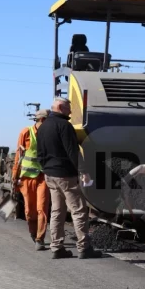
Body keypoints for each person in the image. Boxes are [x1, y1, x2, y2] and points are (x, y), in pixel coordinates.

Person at [36, 97, 101, 259]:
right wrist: (83, 171)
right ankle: (84, 247)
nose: (70, 112)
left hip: (50, 175)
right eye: (68, 108)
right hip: (65, 175)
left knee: (57, 211)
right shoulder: (64, 126)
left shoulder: (42, 127)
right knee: (79, 210)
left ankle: (57, 247)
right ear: (59, 107)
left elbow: (40, 154)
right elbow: (73, 151)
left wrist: (47, 168)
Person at [12, 109, 51, 251]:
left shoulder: (49, 135)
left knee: (42, 208)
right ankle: (33, 233)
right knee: (29, 211)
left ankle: (40, 239)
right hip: (27, 177)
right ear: (42, 120)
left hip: (43, 177)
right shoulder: (26, 133)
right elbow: (19, 156)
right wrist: (14, 177)